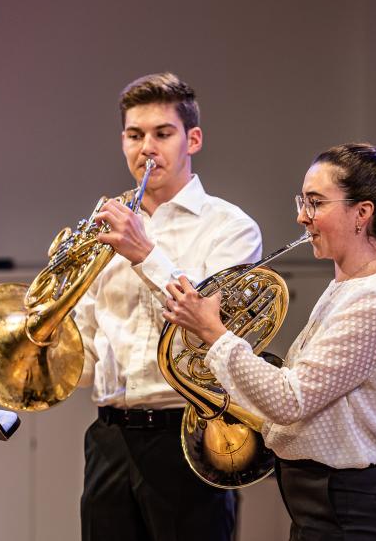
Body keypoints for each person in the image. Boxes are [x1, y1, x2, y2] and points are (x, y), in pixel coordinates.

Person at [163, 143, 376, 541]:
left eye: (316, 203)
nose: (301, 216)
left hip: (348, 507)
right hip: (324, 502)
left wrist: (214, 333)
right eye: (303, 201)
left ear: (362, 213)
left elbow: (291, 401)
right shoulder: (349, 286)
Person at [74, 72, 262, 541]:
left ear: (192, 139)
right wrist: (45, 343)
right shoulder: (103, 227)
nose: (147, 149)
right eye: (134, 135)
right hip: (109, 437)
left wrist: (144, 253)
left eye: (162, 134)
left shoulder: (230, 227)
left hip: (187, 433)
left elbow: (208, 326)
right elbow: (89, 352)